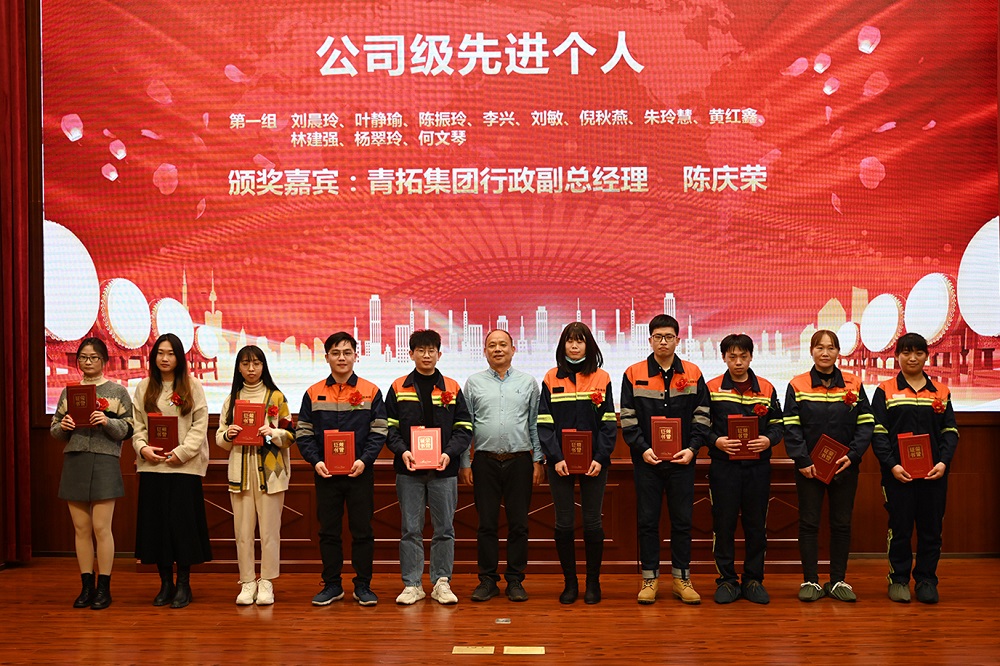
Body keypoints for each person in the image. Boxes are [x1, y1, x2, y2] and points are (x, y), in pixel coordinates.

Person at [620, 314, 710, 605]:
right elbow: (628, 418)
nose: (663, 342)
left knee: (682, 521)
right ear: (650, 340)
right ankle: (649, 580)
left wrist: (693, 449)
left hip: (683, 462)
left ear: (678, 340)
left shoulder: (693, 373)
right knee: (648, 521)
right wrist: (642, 449)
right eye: (658, 337)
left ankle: (682, 579)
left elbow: (702, 415)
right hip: (647, 462)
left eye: (669, 337)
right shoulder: (633, 373)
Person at [296, 332, 387, 607]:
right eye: (335, 353)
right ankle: (332, 585)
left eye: (347, 352)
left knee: (363, 531)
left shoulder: (371, 391)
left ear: (356, 356)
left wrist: (365, 460)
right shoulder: (313, 393)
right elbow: (303, 432)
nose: (342, 358)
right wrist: (316, 461)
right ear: (326, 357)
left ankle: (363, 585)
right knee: (328, 531)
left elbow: (379, 430)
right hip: (326, 473)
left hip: (360, 472)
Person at [783, 329, 874, 602]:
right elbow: (791, 426)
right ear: (811, 351)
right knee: (809, 523)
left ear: (838, 352)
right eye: (820, 347)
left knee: (841, 523)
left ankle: (838, 581)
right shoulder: (797, 385)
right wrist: (802, 460)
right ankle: (810, 580)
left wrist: (853, 455)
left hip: (845, 467)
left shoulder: (853, 383)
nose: (825, 353)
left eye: (831, 347)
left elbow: (866, 423)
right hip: (809, 469)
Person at [385, 330, 472, 605]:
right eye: (420, 350)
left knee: (444, 528)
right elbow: (389, 428)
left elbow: (464, 428)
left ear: (439, 354)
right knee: (410, 529)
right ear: (411, 354)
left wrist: (448, 453)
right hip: (408, 470)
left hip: (444, 471)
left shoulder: (452, 388)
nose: (426, 355)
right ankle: (412, 584)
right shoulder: (398, 387)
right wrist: (403, 451)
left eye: (431, 350)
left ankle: (441, 582)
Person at [871, 332, 959, 604]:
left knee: (931, 530)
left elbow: (950, 431)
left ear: (926, 356)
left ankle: (926, 580)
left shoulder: (941, 391)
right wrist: (892, 465)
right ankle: (898, 579)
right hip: (898, 475)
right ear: (897, 355)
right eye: (906, 352)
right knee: (900, 529)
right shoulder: (885, 390)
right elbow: (878, 433)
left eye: (918, 352)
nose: (912, 358)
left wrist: (943, 462)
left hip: (934, 474)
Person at [460, 329, 543, 602]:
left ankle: (515, 580)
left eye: (503, 344)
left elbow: (534, 424)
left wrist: (537, 460)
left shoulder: (528, 383)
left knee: (519, 524)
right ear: (485, 351)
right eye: (492, 345)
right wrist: (465, 462)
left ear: (513, 349)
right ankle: (487, 580)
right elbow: (466, 426)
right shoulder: (473, 383)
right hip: (484, 461)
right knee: (486, 524)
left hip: (520, 461)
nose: (498, 349)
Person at [50, 337, 133, 610]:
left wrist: (107, 421)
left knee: (101, 527)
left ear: (104, 360)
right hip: (75, 459)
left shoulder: (117, 391)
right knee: (81, 528)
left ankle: (104, 588)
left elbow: (128, 429)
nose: (88, 362)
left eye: (94, 357)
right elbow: (55, 430)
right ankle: (87, 586)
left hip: (105, 460)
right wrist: (64, 425)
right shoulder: (69, 392)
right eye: (83, 357)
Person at [538, 323, 617, 604]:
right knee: (564, 523)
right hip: (559, 464)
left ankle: (593, 583)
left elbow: (609, 423)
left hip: (594, 463)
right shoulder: (551, 378)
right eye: (570, 341)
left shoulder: (602, 377)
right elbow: (544, 423)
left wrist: (600, 457)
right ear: (563, 345)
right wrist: (555, 457)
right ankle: (570, 583)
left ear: (588, 346)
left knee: (593, 523)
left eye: (580, 341)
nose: (574, 346)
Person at [132, 332, 211, 609]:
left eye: (171, 353)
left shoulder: (192, 385)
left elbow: (200, 425)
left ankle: (184, 584)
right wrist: (142, 448)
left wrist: (182, 453)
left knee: (182, 527)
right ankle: (165, 583)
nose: (165, 358)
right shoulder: (144, 387)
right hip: (153, 467)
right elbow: (138, 426)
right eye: (160, 353)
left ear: (179, 357)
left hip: (184, 468)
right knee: (158, 528)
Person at [706, 334, 783, 605]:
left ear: (751, 357)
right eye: (732, 357)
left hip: (757, 468)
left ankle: (753, 579)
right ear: (723, 358)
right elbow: (701, 425)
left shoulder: (767, 388)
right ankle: (726, 580)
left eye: (743, 356)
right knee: (723, 525)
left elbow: (778, 425)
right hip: (723, 468)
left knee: (756, 525)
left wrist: (768, 440)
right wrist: (716, 441)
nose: (738, 362)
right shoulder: (712, 388)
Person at [216, 345, 295, 606]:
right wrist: (228, 435)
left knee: (270, 531)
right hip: (240, 473)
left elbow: (290, 435)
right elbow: (220, 438)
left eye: (257, 363)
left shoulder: (276, 397)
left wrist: (273, 433)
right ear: (238, 367)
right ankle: (247, 581)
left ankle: (267, 581)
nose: (251, 369)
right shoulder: (232, 399)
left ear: (263, 366)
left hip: (271, 475)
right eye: (246, 363)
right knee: (243, 531)